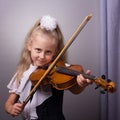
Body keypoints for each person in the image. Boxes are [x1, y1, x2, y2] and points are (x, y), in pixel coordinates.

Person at [5, 15, 92, 120]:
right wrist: (11, 108)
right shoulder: (22, 73)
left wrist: (81, 85)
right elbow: (9, 103)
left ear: (55, 52)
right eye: (38, 50)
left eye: (48, 52)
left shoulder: (60, 70)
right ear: (29, 46)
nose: (42, 56)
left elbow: (75, 90)